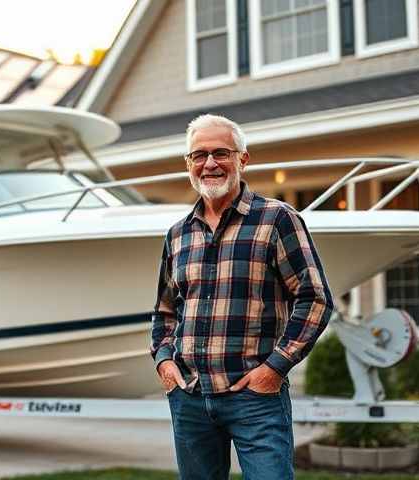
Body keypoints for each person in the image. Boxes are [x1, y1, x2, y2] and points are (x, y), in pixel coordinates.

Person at [151, 114, 334, 480]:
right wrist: (164, 362)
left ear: (243, 159)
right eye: (199, 155)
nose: (210, 164)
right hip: (190, 397)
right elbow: (165, 310)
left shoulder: (278, 219)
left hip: (256, 398)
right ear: (188, 164)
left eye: (221, 153)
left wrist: (274, 369)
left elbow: (315, 298)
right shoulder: (177, 234)